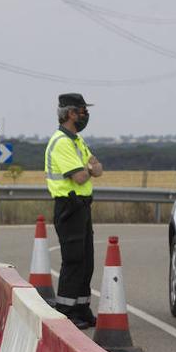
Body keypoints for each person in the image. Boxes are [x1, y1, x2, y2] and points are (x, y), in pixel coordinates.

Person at [45, 93, 103, 329]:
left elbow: (98, 169)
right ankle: (67, 311)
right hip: (69, 206)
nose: (85, 115)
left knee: (86, 260)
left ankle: (82, 308)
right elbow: (81, 176)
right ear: (70, 113)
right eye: (82, 110)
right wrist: (90, 168)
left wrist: (90, 168)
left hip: (81, 206)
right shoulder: (61, 142)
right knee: (73, 260)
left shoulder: (76, 140)